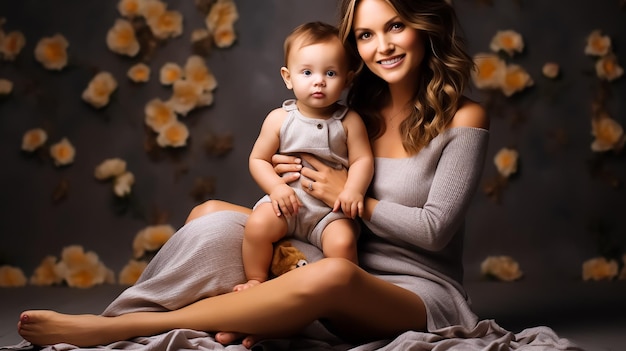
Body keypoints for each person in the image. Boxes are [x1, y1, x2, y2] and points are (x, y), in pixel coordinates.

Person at [17, 0, 489, 348]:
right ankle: (234, 311)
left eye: (395, 27)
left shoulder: (464, 118)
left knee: (332, 278)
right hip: (335, 248)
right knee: (211, 215)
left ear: (425, 26)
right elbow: (295, 168)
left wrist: (348, 194)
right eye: (365, 35)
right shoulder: (352, 109)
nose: (381, 46)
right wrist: (294, 173)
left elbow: (434, 231)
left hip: (415, 293)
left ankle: (122, 328)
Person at [234, 21, 373, 291]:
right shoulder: (279, 119)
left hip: (329, 212)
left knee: (343, 243)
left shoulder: (349, 121)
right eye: (307, 72)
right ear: (288, 77)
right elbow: (258, 160)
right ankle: (255, 279)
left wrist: (354, 190)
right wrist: (275, 188)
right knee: (258, 226)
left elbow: (362, 160)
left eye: (330, 73)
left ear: (347, 79)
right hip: (287, 204)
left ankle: (351, 295)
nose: (319, 81)